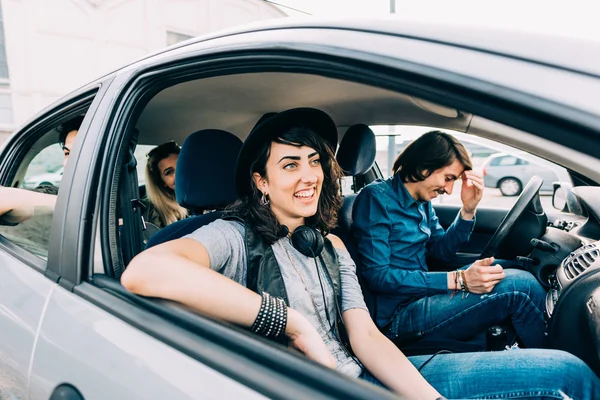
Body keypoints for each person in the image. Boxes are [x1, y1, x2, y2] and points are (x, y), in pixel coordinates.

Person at [121, 109, 599, 400]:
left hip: (368, 369)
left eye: (315, 162)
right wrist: (291, 322)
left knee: (570, 373)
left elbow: (365, 337)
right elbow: (147, 270)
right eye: (290, 164)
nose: (309, 175)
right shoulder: (232, 236)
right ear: (261, 182)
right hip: (318, 384)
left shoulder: (327, 243)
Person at [352, 130, 547, 349]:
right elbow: (378, 276)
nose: (449, 189)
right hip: (398, 316)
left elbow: (441, 251)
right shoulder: (376, 198)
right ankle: (555, 358)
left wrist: (468, 209)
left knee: (513, 266)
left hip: (423, 295)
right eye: (448, 178)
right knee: (520, 287)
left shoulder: (422, 202)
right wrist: (459, 280)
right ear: (424, 167)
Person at [0, 116, 82, 224]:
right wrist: (72, 205)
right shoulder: (54, 193)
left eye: (80, 152)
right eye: (67, 153)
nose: (67, 163)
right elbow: (5, 198)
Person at [143, 141, 187, 229]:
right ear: (161, 181)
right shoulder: (152, 213)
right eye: (169, 172)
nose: (179, 174)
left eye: (181, 166)